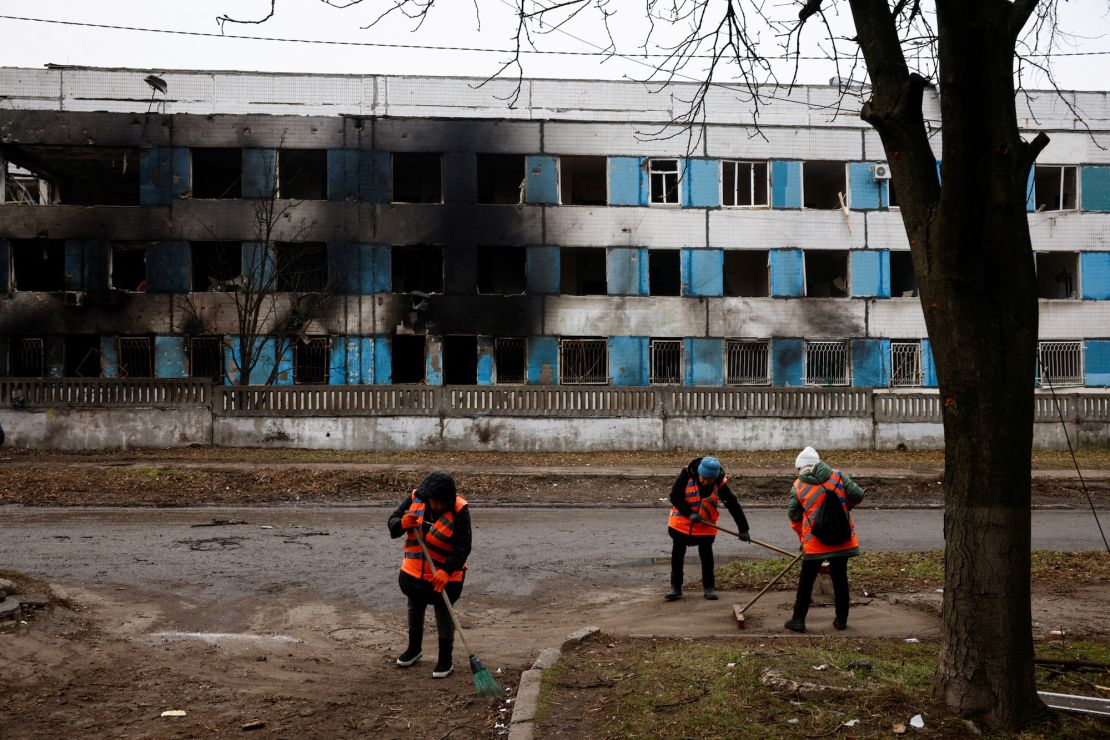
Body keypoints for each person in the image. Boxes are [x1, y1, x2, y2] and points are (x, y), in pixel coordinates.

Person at [387, 470, 471, 678]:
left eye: (439, 502)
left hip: (445, 575)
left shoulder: (459, 509)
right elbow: (393, 520)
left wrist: (446, 570)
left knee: (444, 612)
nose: (435, 505)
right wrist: (401, 524)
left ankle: (445, 660)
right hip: (414, 571)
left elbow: (463, 545)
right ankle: (414, 650)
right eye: (432, 501)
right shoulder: (417, 498)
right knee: (415, 607)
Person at [784, 446, 865, 633]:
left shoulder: (798, 486)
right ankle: (841, 621)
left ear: (800, 468)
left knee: (806, 581)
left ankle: (798, 620)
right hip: (842, 539)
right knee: (840, 579)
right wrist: (845, 507)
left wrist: (803, 540)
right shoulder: (837, 476)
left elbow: (794, 517)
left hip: (815, 544)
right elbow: (858, 495)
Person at [665, 455, 750, 601]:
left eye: (708, 480)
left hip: (705, 525)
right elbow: (674, 496)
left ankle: (709, 587)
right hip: (682, 523)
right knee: (678, 554)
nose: (704, 482)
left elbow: (733, 504)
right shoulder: (686, 474)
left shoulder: (720, 483)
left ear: (715, 477)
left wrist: (743, 529)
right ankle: (676, 587)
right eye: (702, 478)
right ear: (698, 472)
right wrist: (690, 514)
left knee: (706, 555)